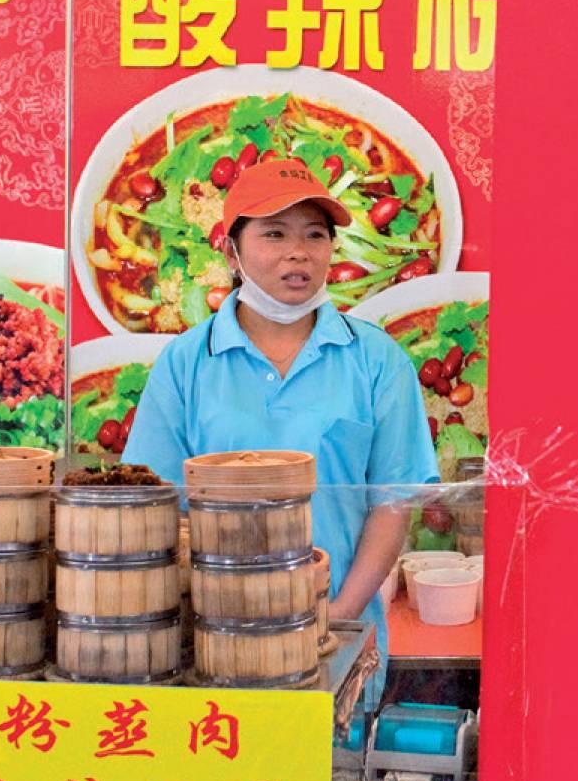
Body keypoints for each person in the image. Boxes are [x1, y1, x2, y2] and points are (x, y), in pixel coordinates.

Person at [125, 157, 437, 643]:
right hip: (215, 633)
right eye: (274, 234)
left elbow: (391, 504)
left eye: (315, 235)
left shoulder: (378, 360)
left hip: (342, 633)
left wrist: (339, 614)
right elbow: (158, 506)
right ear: (231, 252)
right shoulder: (185, 363)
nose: (299, 253)